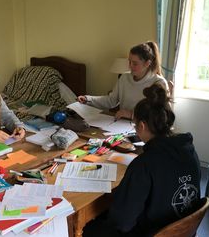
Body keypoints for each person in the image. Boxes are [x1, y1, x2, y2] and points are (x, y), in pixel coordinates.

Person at [83, 84, 201, 237]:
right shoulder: (189, 150)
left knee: (90, 227)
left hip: (154, 231)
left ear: (142, 125)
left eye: (134, 124)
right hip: (183, 228)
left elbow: (122, 222)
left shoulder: (144, 164)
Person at [77, 41, 169, 120]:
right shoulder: (124, 78)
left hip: (146, 130)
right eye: (129, 61)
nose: (130, 66)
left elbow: (162, 116)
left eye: (135, 63)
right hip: (121, 127)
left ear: (147, 63)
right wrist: (88, 99)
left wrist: (131, 114)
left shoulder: (159, 83)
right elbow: (111, 101)